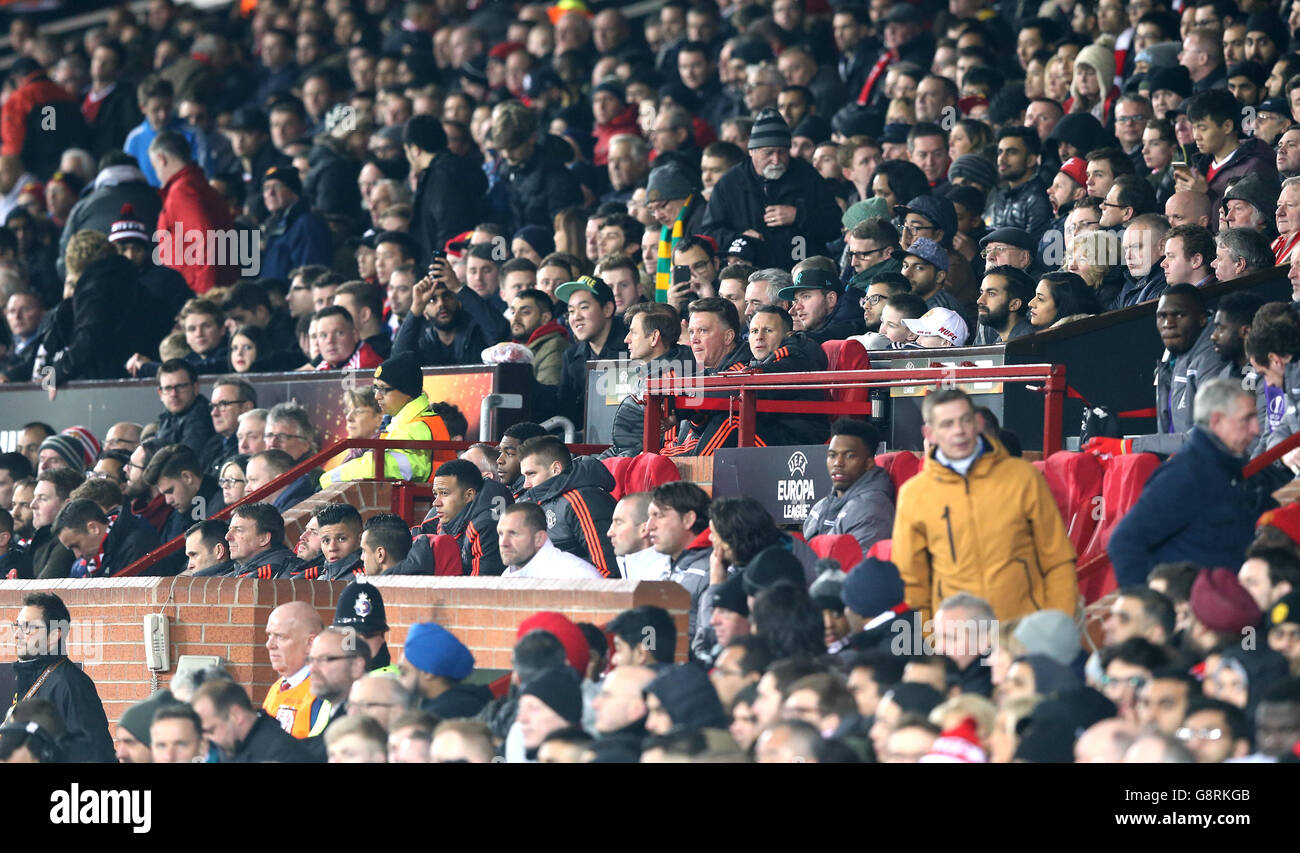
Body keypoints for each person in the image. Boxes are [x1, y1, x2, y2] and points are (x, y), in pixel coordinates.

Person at [891, 389, 1077, 624]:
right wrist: (931, 640)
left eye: (965, 420)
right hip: (957, 639)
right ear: (930, 434)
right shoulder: (914, 494)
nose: (959, 431)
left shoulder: (1023, 478)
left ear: (977, 422)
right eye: (947, 424)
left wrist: (1056, 626)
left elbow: (1057, 559)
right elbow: (912, 580)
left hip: (1023, 631)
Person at [1109, 379, 1273, 587]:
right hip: (1192, 613)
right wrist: (1148, 609)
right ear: (1216, 422)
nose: (1256, 429)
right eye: (1246, 419)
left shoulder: (1232, 470)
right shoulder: (1184, 474)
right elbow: (1124, 542)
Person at [700, 108, 842, 262]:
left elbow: (834, 225)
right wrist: (739, 238)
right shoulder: (729, 184)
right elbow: (709, 233)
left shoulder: (808, 176)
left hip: (801, 273)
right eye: (768, 153)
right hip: (749, 274)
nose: (776, 160)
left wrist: (799, 216)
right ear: (751, 151)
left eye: (782, 152)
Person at [321, 352, 455, 486]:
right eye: (376, 389)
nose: (377, 396)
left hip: (430, 503)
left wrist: (328, 479)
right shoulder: (407, 422)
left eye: (384, 389)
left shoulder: (416, 426)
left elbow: (392, 466)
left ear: (406, 392)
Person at [8, 592, 114, 762]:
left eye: (27, 627)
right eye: (17, 626)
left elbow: (96, 754)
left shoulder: (71, 684)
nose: (16, 635)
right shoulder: (28, 675)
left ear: (53, 636)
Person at [516, 435, 619, 577]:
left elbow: (607, 571)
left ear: (556, 469)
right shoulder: (534, 500)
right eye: (524, 476)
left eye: (531, 474)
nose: (525, 484)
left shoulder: (584, 500)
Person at [803, 419, 894, 554]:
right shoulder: (822, 505)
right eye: (832, 455)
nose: (838, 463)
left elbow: (856, 567)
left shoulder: (871, 509)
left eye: (849, 456)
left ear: (869, 463)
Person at [420, 458, 513, 576]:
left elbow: (480, 588)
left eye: (444, 493)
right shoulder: (439, 515)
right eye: (435, 494)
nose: (435, 503)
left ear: (469, 495)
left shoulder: (487, 525)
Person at [191, 679, 314, 762]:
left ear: (236, 715)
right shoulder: (230, 746)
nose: (206, 739)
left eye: (211, 730)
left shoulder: (283, 754)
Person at [397, 621, 492, 719]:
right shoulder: (465, 703)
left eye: (403, 672)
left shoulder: (438, 717)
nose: (398, 680)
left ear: (428, 672)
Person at [498, 502, 603, 579]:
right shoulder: (506, 576)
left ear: (539, 538)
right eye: (501, 534)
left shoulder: (576, 575)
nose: (503, 543)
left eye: (513, 534)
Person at [608, 492, 670, 581]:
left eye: (618, 522)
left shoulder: (665, 579)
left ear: (644, 530)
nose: (609, 533)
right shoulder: (632, 569)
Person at [973, 266, 1036, 345]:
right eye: (982, 292)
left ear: (1014, 304)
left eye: (991, 294)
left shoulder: (1028, 345)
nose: (980, 301)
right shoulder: (1000, 342)